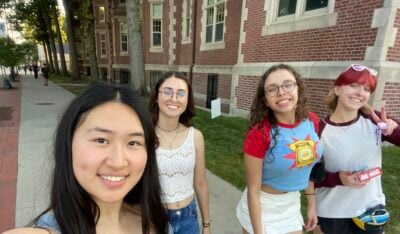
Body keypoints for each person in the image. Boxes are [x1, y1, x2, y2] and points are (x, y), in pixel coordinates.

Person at [4, 81, 169, 234]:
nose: (118, 162)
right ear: (68, 143)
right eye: (101, 140)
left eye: (133, 143)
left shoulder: (155, 220)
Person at [236, 64, 322, 234]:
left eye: (287, 85)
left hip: (291, 202)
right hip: (263, 205)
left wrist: (312, 205)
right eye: (272, 89)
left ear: (298, 88)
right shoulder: (260, 133)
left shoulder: (311, 121)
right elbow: (253, 191)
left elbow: (308, 165)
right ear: (265, 100)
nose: (281, 92)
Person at [315, 64, 400, 234]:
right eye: (353, 85)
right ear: (337, 89)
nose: (360, 93)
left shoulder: (374, 121)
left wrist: (393, 129)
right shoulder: (319, 129)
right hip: (333, 212)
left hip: (371, 210)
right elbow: (309, 177)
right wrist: (338, 178)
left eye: (366, 89)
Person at [148, 72, 211, 234]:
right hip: (153, 217)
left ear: (187, 99)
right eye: (167, 92)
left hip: (188, 218)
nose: (174, 99)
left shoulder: (195, 136)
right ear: (156, 97)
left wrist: (206, 224)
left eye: (181, 93)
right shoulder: (144, 135)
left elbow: (201, 182)